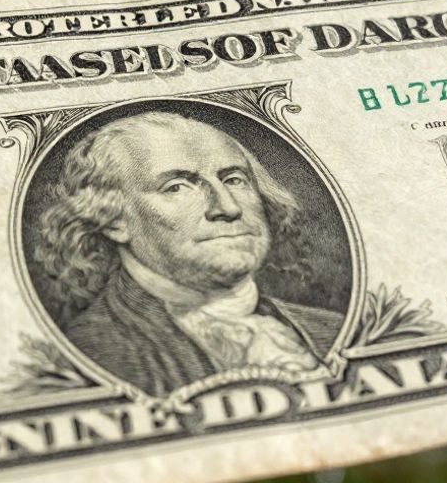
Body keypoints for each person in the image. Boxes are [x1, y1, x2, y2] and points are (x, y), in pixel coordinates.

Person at [34, 110, 344, 396]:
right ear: (113, 219)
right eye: (178, 186)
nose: (228, 207)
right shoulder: (90, 350)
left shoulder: (329, 329)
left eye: (234, 180)